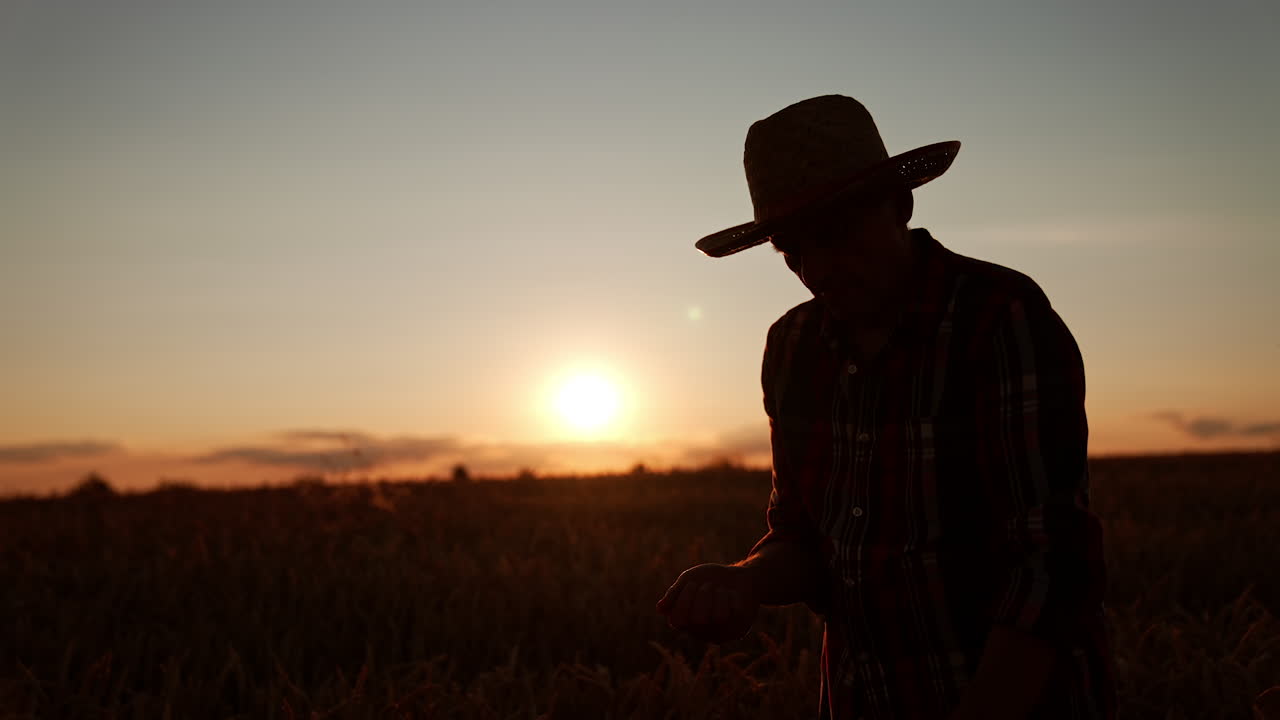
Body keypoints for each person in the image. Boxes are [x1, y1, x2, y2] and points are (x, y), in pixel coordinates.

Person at [656, 95, 1117, 720]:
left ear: (899, 206)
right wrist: (746, 580)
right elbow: (807, 539)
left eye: (836, 232)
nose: (815, 267)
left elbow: (1051, 565)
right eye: (791, 248)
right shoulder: (793, 347)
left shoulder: (998, 318)